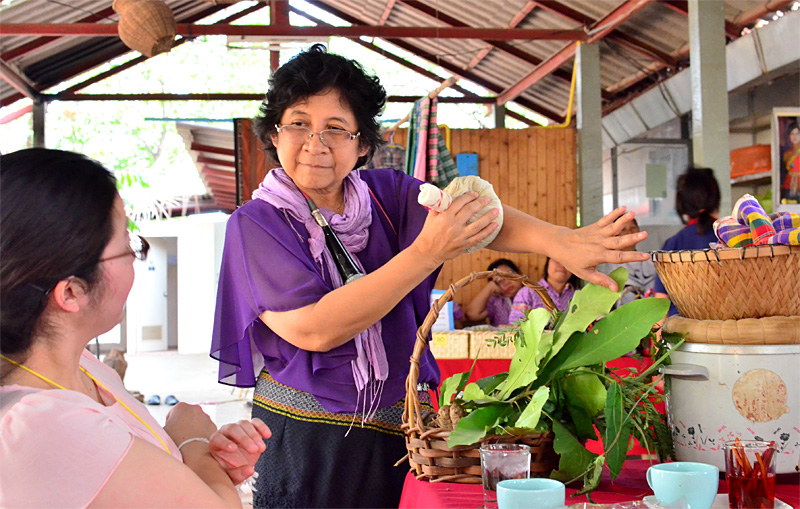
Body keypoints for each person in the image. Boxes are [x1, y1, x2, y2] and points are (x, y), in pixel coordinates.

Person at [210, 44, 649, 508]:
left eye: (335, 129)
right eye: (298, 123)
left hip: (405, 437)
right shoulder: (257, 223)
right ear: (275, 134)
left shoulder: (388, 196)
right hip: (306, 443)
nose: (315, 143)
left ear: (361, 146)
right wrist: (426, 252)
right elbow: (316, 328)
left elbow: (472, 213)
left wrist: (559, 240)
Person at [0, 148, 271, 508]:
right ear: (71, 291)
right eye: (126, 243)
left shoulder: (84, 368)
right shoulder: (43, 424)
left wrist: (205, 457)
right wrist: (192, 441)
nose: (134, 256)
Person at [653, 165, 721, 316]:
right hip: (725, 333)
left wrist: (658, 339)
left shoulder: (672, 245)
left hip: (681, 334)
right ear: (715, 200)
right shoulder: (732, 240)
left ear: (681, 205)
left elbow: (660, 303)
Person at [508, 258, 579, 323]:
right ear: (548, 263)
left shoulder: (579, 296)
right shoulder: (528, 292)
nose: (562, 265)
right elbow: (516, 324)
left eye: (567, 262)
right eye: (557, 260)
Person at [462, 258, 524, 326]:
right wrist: (490, 287)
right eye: (499, 281)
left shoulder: (533, 293)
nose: (506, 282)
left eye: (509, 275)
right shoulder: (497, 302)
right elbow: (471, 315)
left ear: (519, 274)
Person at [781, 121, 800, 202]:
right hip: (788, 184)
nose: (795, 136)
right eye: (792, 134)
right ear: (789, 136)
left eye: (797, 134)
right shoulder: (787, 154)